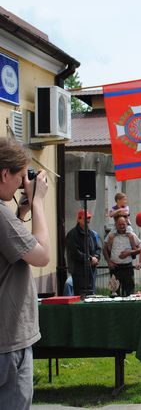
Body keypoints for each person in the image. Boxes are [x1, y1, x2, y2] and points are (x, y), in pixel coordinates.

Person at [0, 137, 50, 409]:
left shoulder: (6, 215)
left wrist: (22, 211)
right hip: (8, 343)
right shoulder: (0, 215)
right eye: (20, 176)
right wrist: (38, 202)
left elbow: (12, 251)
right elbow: (42, 255)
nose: (23, 183)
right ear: (4, 173)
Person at [65, 209, 101, 295]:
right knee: (81, 295)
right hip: (78, 271)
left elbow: (98, 248)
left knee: (91, 293)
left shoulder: (91, 233)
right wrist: (90, 259)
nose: (88, 220)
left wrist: (96, 257)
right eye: (85, 218)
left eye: (89, 218)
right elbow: (75, 253)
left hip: (91, 270)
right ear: (79, 219)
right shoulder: (72, 234)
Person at [103, 215, 141, 296]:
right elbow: (104, 249)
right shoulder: (111, 235)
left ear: (126, 224)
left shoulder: (131, 235)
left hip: (127, 267)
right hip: (115, 268)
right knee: (114, 292)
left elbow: (140, 249)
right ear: (116, 225)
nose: (122, 226)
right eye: (119, 224)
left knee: (129, 293)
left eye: (123, 224)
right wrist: (109, 262)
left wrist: (129, 253)